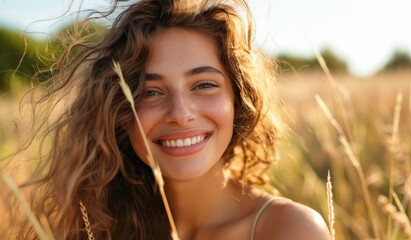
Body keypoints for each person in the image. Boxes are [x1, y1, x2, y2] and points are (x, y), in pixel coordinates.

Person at [8, 0, 331, 239]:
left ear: (238, 100)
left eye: (204, 85)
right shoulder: (102, 228)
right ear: (120, 113)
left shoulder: (288, 229)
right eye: (150, 92)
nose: (180, 114)